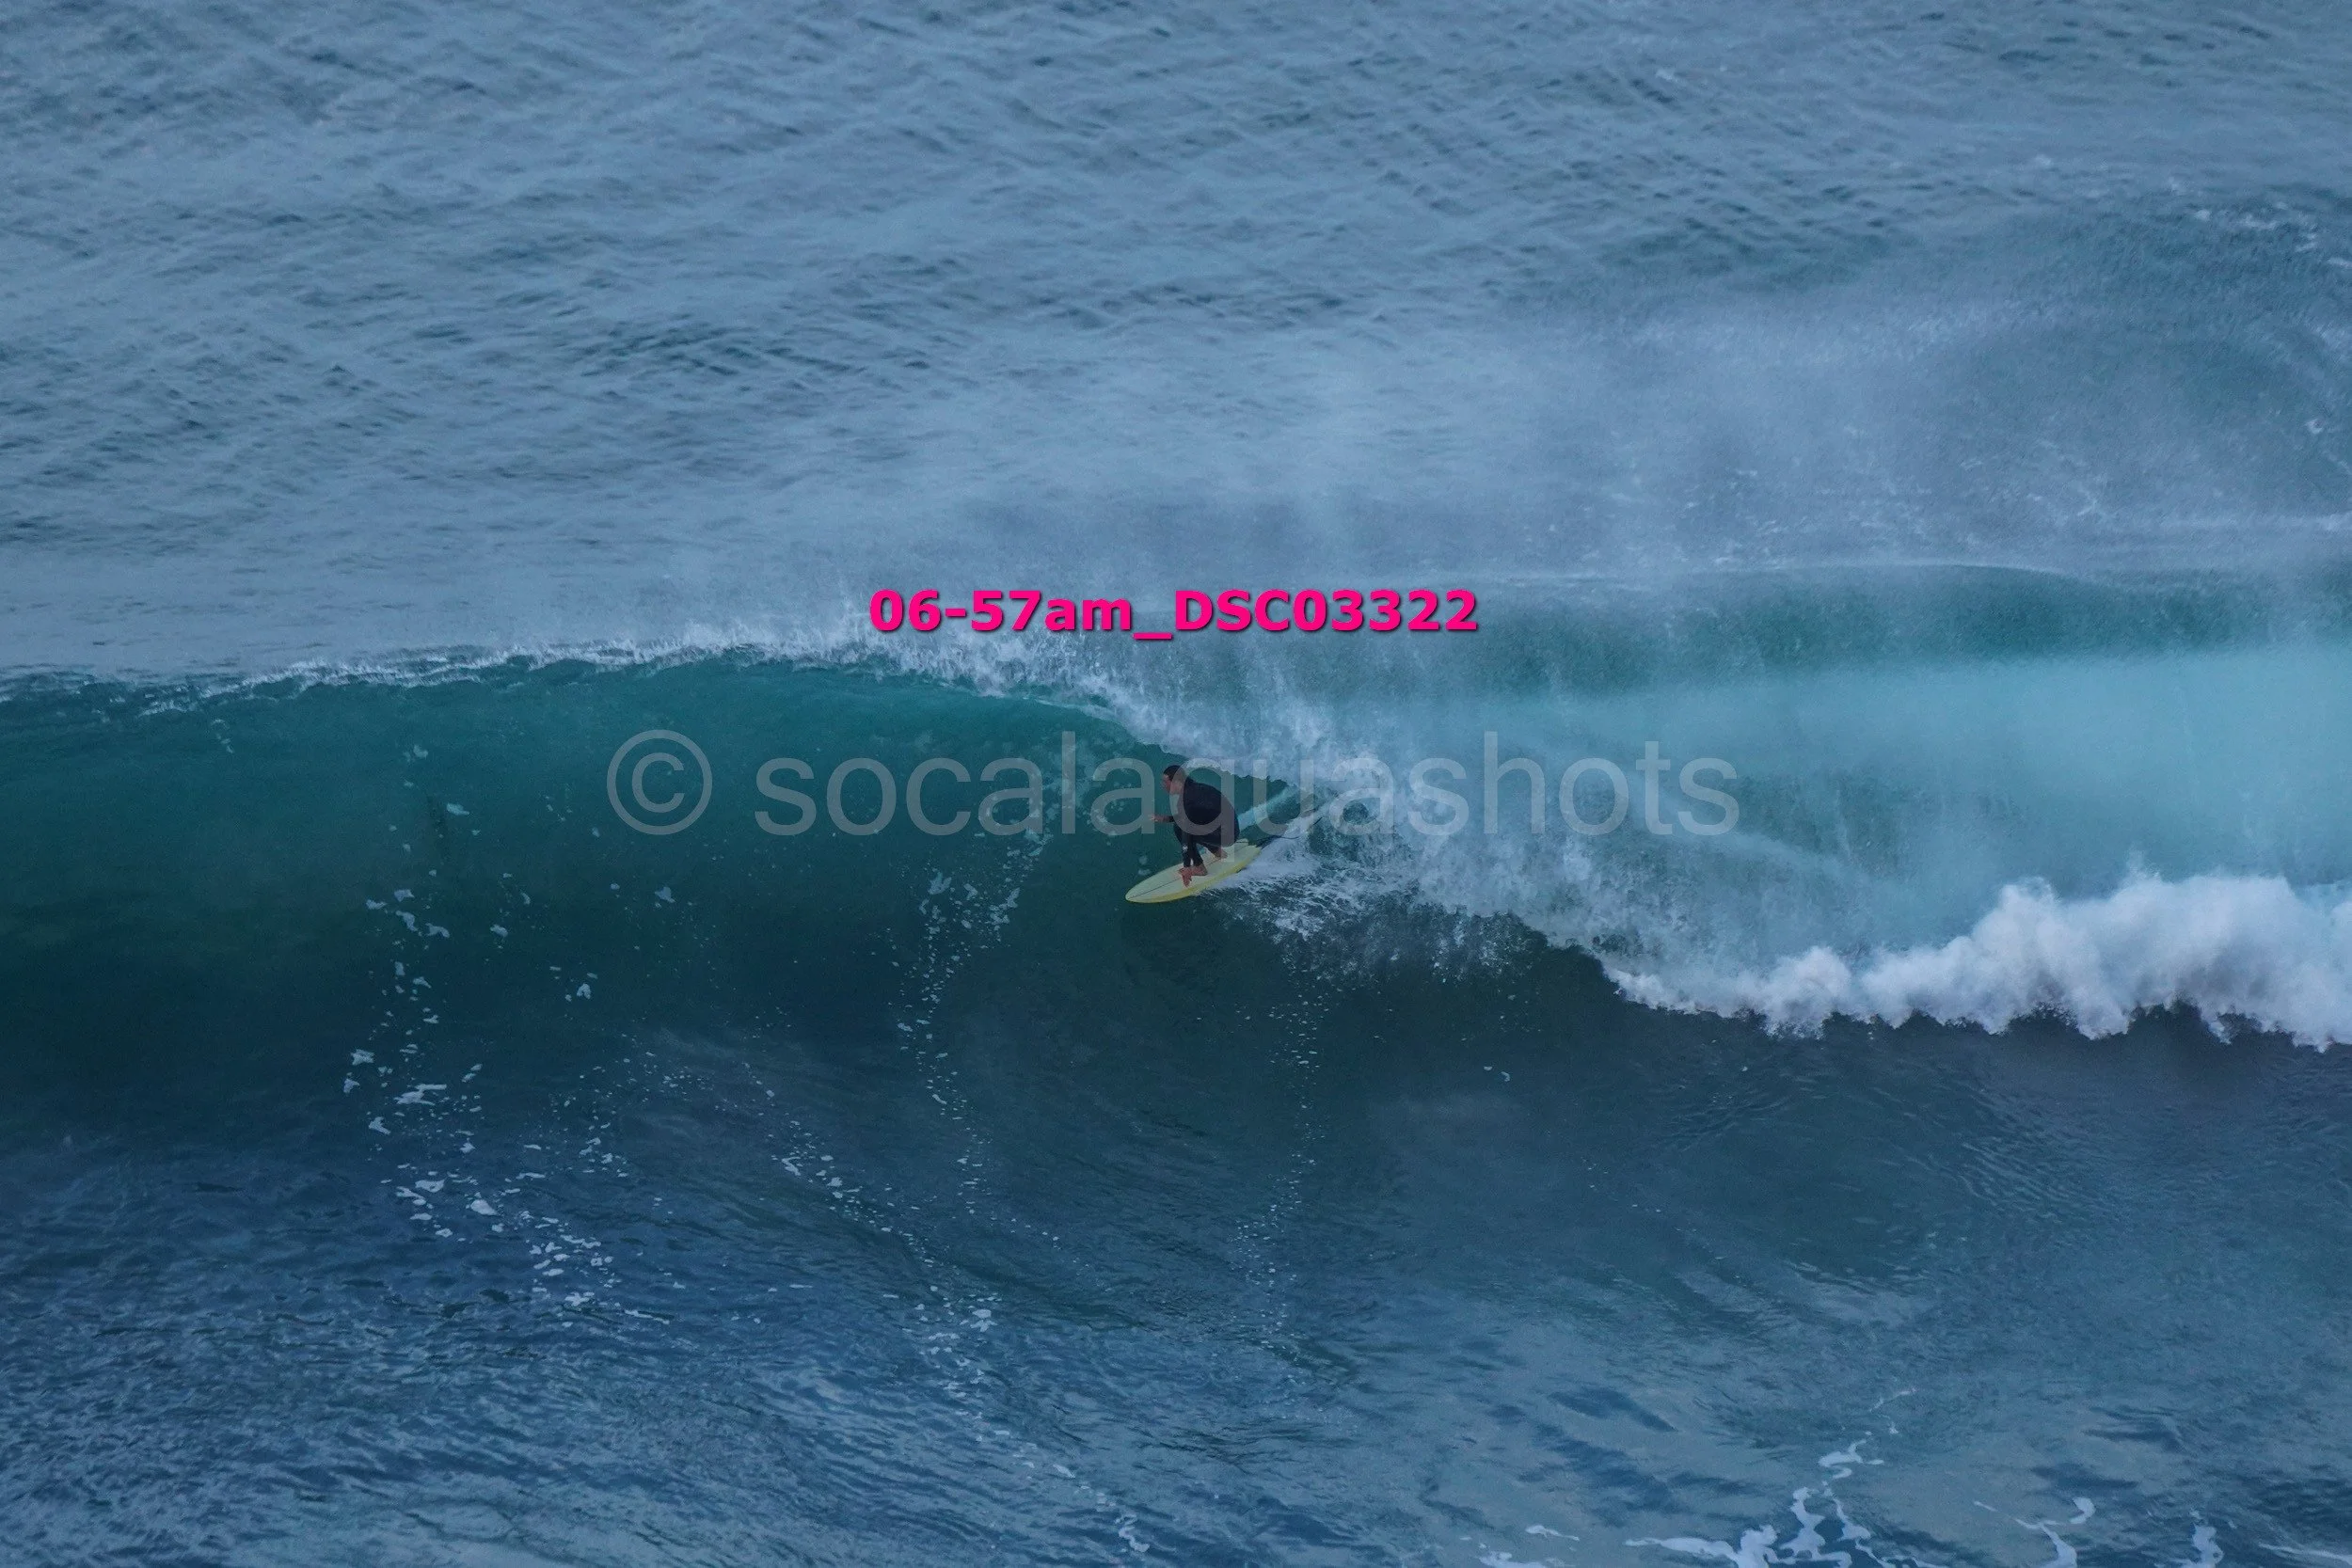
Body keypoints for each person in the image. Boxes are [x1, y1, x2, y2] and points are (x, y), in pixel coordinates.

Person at [1153, 763, 1237, 887]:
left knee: (1179, 828)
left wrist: (1187, 866)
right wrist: (1167, 818)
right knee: (1193, 823)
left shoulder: (1186, 802)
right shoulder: (1198, 788)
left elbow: (1185, 836)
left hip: (1225, 835)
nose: (1163, 785)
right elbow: (1194, 815)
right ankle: (1218, 852)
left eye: (1165, 782)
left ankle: (1199, 868)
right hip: (1232, 829)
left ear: (1176, 782)